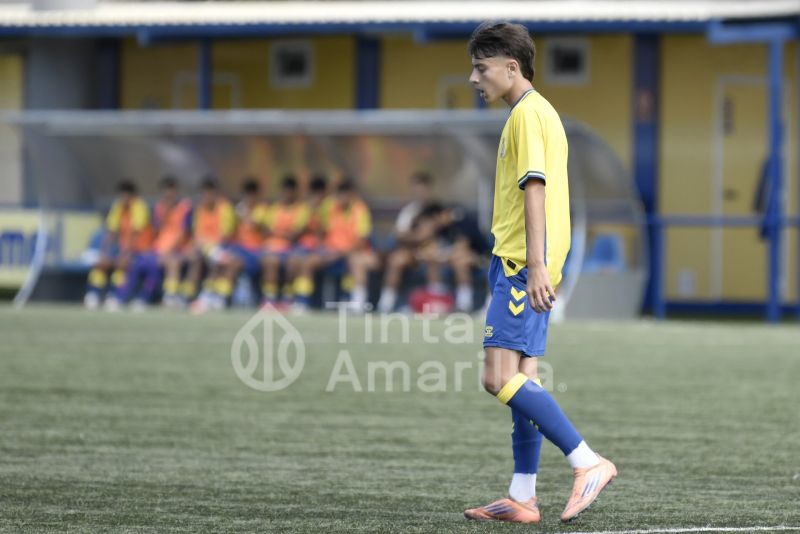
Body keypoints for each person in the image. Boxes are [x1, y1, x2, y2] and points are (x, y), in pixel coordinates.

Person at [463, 22, 616, 524]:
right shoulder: (533, 113)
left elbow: (536, 189)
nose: (473, 78)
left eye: (480, 68)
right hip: (521, 263)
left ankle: (586, 460)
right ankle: (523, 495)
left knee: (496, 377)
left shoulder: (528, 115)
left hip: (519, 266)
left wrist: (533, 267)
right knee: (522, 378)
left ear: (512, 67)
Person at [294, 178, 377, 311]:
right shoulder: (329, 206)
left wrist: (340, 253)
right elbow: (321, 231)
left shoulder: (360, 210)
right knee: (308, 262)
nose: (342, 197)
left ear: (352, 195)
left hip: (349, 253)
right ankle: (302, 302)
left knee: (355, 262)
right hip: (330, 253)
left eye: (346, 193)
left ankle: (356, 303)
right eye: (340, 193)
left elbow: (361, 241)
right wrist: (322, 248)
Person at [118, 176, 193, 310]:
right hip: (158, 249)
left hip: (178, 249)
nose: (168, 195)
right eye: (166, 192)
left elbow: (184, 233)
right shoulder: (159, 208)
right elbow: (156, 232)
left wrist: (170, 250)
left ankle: (170, 296)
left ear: (176, 192)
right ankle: (123, 297)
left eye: (171, 192)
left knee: (172, 262)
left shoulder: (184, 208)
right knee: (140, 264)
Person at [83, 180, 152, 311]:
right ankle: (93, 295)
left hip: (140, 250)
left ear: (132, 196)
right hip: (123, 248)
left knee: (122, 264)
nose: (124, 198)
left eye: (126, 195)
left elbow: (135, 235)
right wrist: (103, 252)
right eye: (122, 195)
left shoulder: (139, 207)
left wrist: (125, 254)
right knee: (101, 263)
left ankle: (116, 296)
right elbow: (111, 232)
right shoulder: (118, 206)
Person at [376, 171, 438, 313]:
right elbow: (399, 234)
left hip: (434, 251)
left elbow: (427, 235)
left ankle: (438, 302)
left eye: (422, 189)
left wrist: (415, 236)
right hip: (412, 253)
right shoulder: (409, 211)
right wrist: (417, 236)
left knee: (432, 257)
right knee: (397, 260)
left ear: (428, 189)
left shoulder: (436, 209)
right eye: (416, 188)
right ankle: (386, 305)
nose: (419, 192)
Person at [185, 176, 237, 313]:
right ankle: (189, 297)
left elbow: (225, 235)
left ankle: (213, 297)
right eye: (203, 193)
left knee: (218, 257)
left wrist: (206, 244)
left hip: (224, 246)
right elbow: (197, 235)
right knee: (197, 258)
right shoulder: (199, 209)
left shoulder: (225, 207)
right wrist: (203, 245)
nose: (206, 197)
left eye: (209, 193)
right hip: (204, 247)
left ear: (216, 193)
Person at [260, 175, 309, 306]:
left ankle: (288, 297)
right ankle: (269, 298)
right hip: (272, 248)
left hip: (292, 249)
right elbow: (266, 231)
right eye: (285, 191)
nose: (287, 194)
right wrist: (284, 233)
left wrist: (277, 232)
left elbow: (295, 235)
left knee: (294, 262)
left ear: (295, 192)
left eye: (290, 191)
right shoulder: (274, 208)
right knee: (271, 261)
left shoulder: (302, 209)